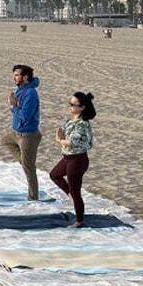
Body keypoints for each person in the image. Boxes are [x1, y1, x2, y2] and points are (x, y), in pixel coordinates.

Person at [50, 92, 96, 228]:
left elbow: (71, 142)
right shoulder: (70, 121)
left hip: (77, 160)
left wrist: (60, 140)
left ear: (81, 107)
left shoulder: (82, 124)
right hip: (67, 158)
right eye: (69, 103)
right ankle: (70, 195)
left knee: (76, 191)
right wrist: (60, 138)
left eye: (73, 104)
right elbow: (61, 134)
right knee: (54, 175)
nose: (70, 106)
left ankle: (79, 220)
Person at [1, 64, 42, 200]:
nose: (14, 77)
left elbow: (25, 116)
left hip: (28, 135)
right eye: (14, 75)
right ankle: (25, 160)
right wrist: (15, 104)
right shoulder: (21, 90)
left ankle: (33, 198)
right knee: (6, 140)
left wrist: (13, 105)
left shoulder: (30, 93)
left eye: (17, 75)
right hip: (17, 132)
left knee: (29, 169)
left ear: (25, 77)